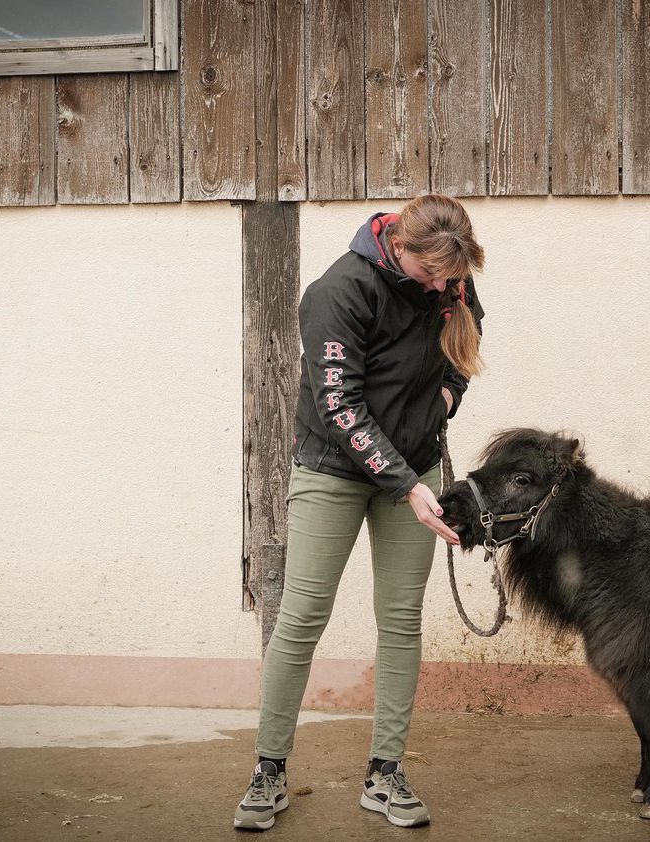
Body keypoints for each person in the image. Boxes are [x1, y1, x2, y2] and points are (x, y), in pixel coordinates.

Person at [234, 194, 486, 830]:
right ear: (399, 246)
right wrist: (407, 484)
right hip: (333, 469)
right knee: (302, 614)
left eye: (450, 280)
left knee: (400, 619)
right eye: (432, 275)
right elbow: (340, 407)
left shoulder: (451, 279)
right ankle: (269, 769)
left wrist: (448, 397)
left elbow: (466, 338)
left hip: (414, 469)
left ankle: (386, 771)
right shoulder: (338, 292)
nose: (441, 288)